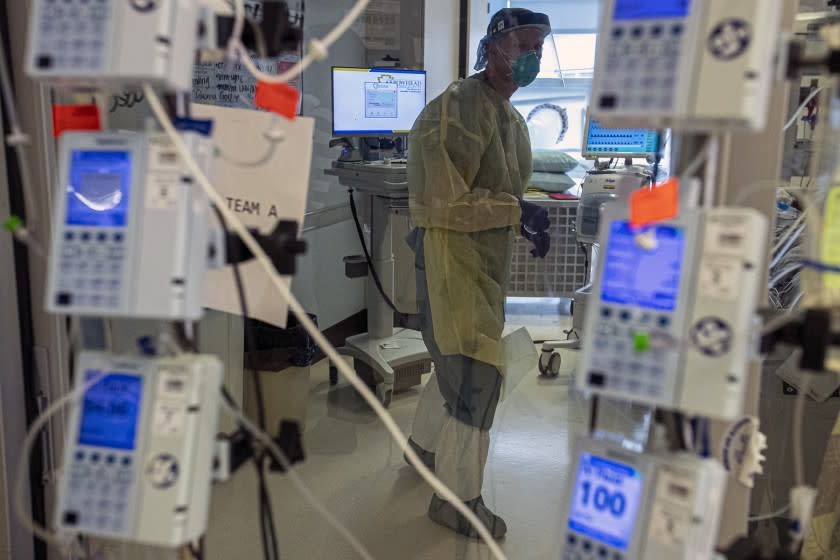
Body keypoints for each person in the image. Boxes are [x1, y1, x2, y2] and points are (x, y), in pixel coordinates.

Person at [404, 8, 552, 539]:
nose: (533, 55)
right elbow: (445, 203)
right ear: (494, 48)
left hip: (480, 264)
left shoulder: (508, 117)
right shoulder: (458, 108)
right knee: (475, 378)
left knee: (454, 362)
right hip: (450, 260)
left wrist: (524, 218)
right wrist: (518, 212)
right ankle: (457, 502)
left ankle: (422, 450)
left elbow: (503, 190)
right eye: (524, 45)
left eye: (539, 46)